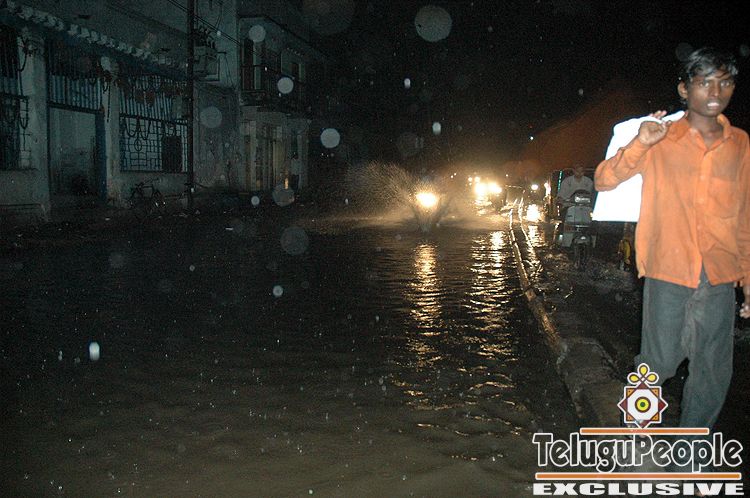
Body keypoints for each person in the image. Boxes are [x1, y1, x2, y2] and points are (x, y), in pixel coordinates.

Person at [595, 47, 750, 443]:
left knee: (713, 369)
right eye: (704, 82)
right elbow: (604, 180)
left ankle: (693, 448)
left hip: (719, 273)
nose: (715, 91)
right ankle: (634, 434)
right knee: (657, 361)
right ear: (684, 89)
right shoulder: (660, 136)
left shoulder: (740, 143)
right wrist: (641, 143)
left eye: (724, 82)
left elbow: (744, 214)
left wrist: (747, 280)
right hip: (668, 266)